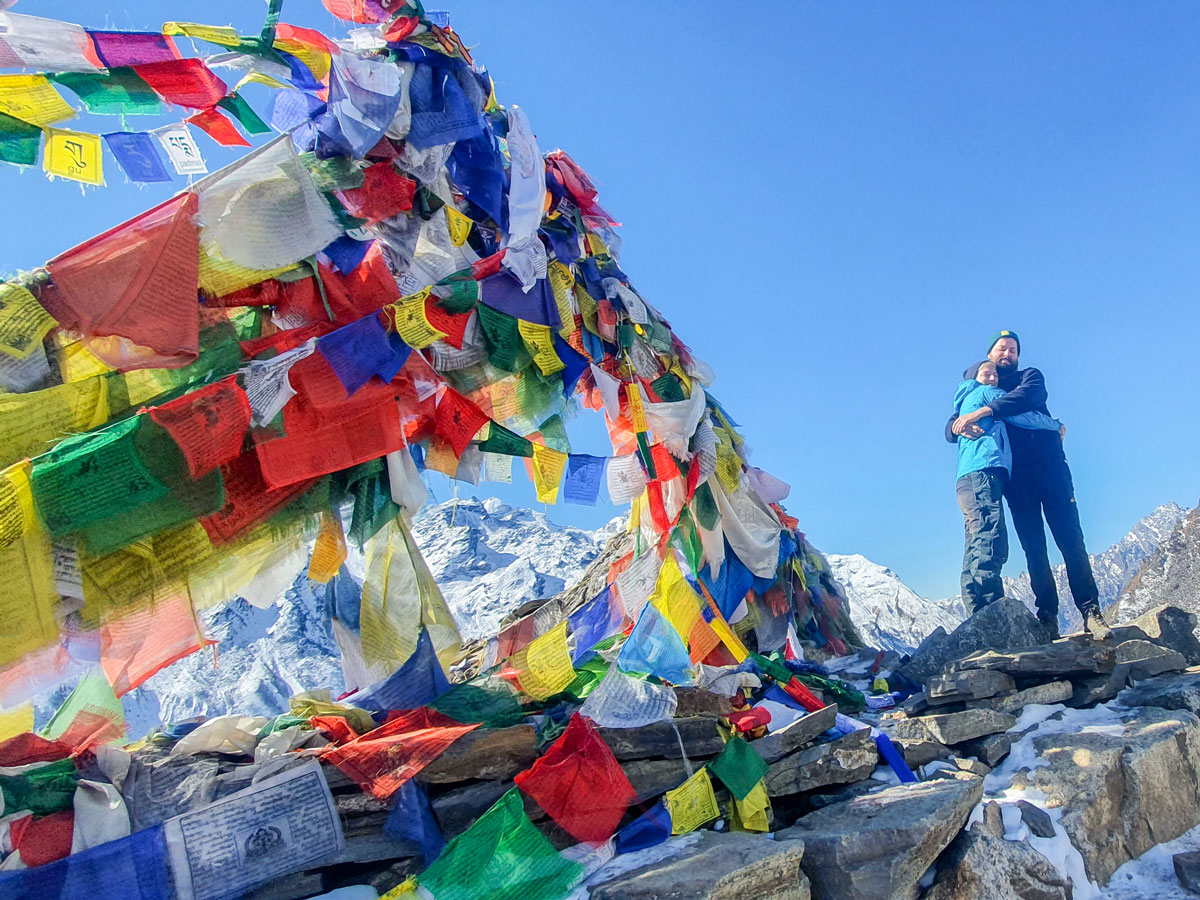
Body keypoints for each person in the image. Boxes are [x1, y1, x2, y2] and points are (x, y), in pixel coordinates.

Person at [947, 331, 1110, 640]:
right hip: (1017, 480)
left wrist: (985, 412)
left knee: (1071, 539)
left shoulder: (1028, 377)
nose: (1007, 353)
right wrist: (955, 426)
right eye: (1000, 349)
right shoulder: (983, 388)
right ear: (989, 356)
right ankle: (1047, 614)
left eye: (1012, 349)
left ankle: (1090, 610)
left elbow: (1030, 398)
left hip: (1050, 468)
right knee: (1034, 549)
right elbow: (953, 422)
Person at [952, 360, 1062, 615]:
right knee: (991, 537)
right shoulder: (987, 394)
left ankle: (976, 611)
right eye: (985, 373)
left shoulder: (964, 401)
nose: (992, 377)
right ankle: (992, 610)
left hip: (966, 479)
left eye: (994, 374)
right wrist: (1056, 425)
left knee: (975, 540)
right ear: (974, 378)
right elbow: (1024, 416)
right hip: (985, 473)